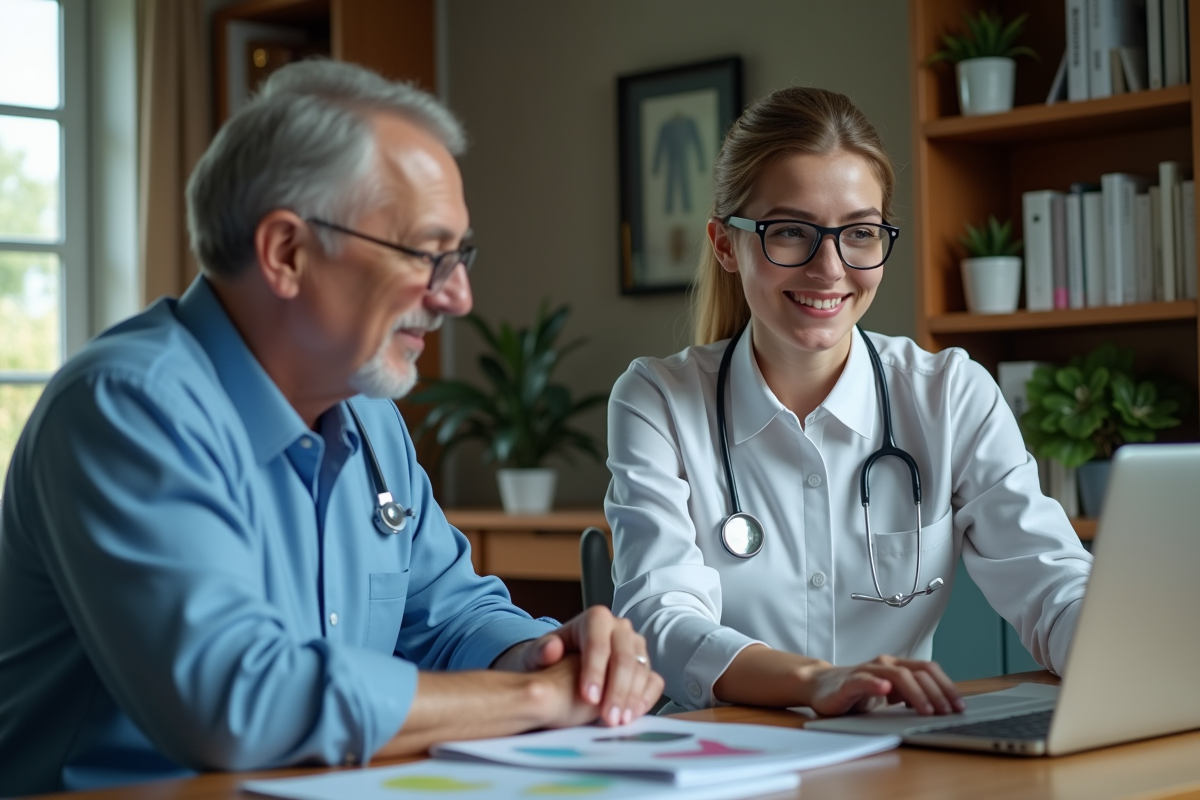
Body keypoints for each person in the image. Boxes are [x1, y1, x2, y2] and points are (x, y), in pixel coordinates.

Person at [0, 60, 662, 796]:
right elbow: (235, 701)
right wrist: (534, 698)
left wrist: (550, 656)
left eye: (460, 255)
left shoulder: (370, 418)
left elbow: (448, 619)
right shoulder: (124, 408)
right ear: (287, 253)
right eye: (426, 253)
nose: (458, 296)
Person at [604, 86, 1092, 717]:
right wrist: (813, 681)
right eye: (790, 232)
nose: (830, 268)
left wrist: (1124, 654)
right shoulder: (657, 400)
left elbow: (1052, 583)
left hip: (896, 757)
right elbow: (659, 617)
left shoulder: (949, 395)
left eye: (859, 233)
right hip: (724, 757)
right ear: (726, 244)